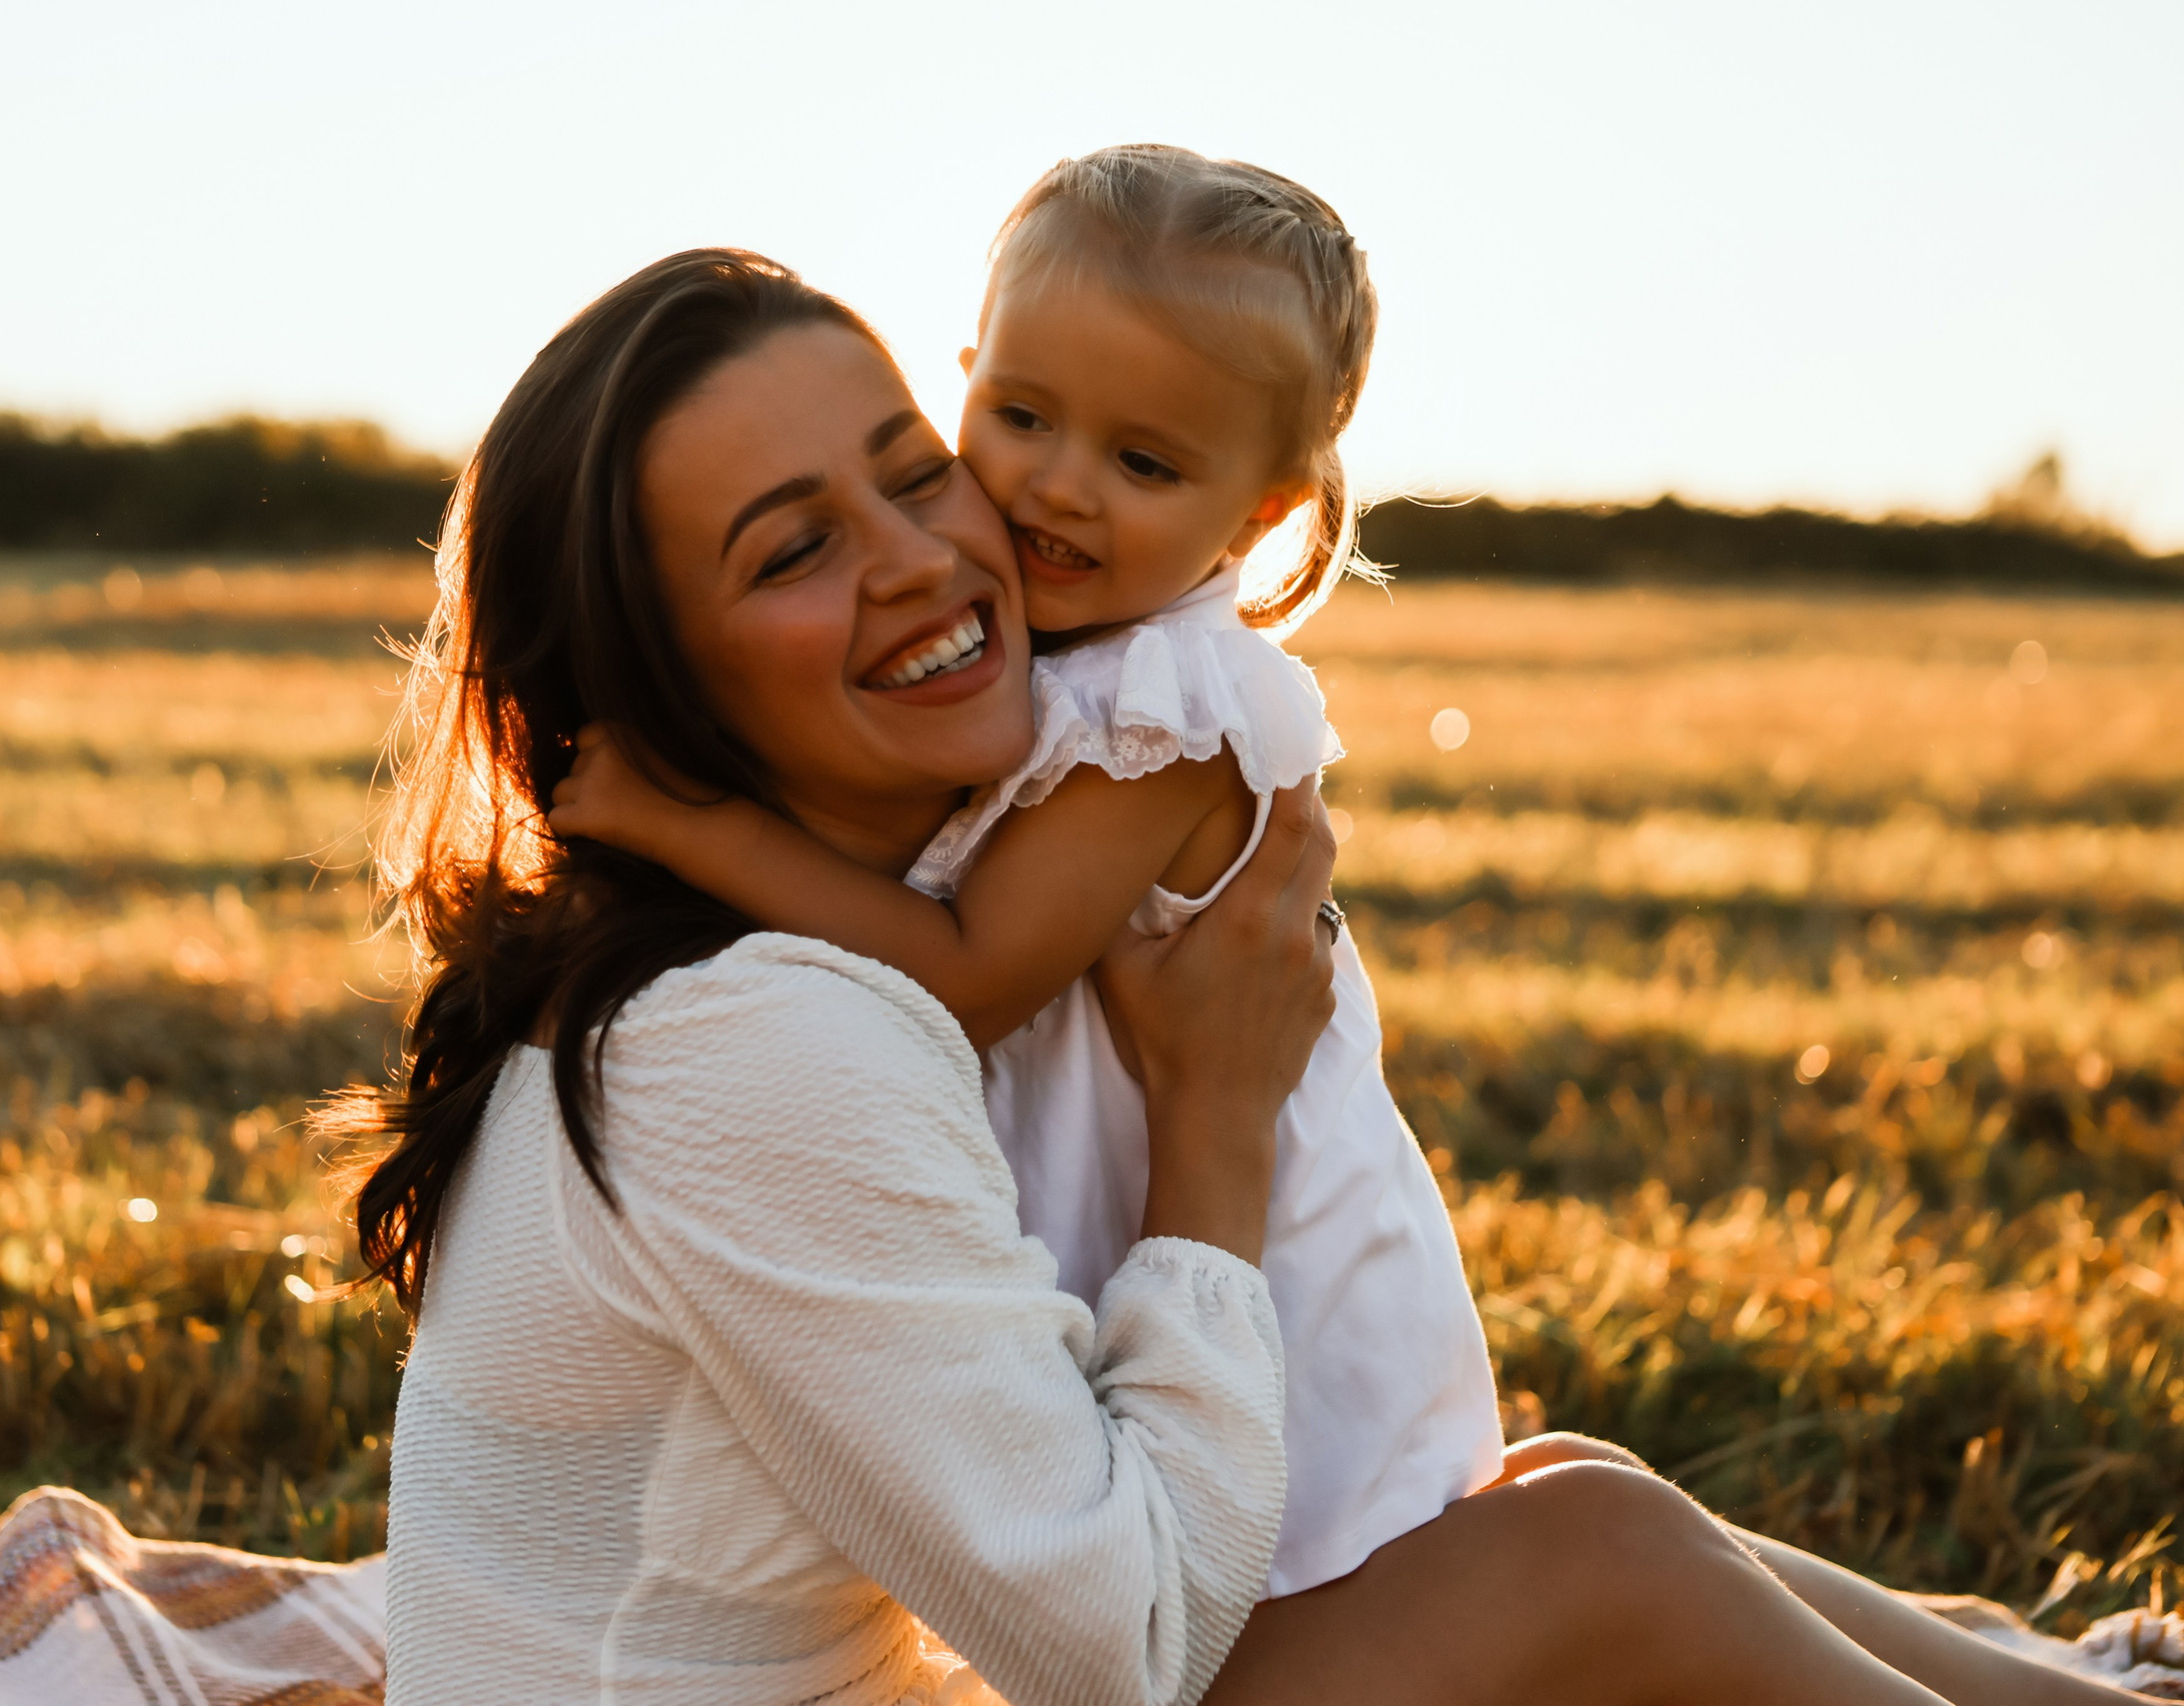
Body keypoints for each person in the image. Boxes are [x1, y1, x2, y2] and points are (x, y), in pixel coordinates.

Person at [346, 246, 2148, 1705]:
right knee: (1582, 1562)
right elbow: (1126, 1654)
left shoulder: (724, 966)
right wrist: (1216, 1117)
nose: (925, 557)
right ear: (653, 676)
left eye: (914, 470)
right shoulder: (756, 1039)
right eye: (795, 549)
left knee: (1569, 1494)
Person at [548, 143, 1502, 1598]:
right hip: (1155, 1265)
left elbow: (971, 977)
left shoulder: (1167, 717)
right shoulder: (1065, 674)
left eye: (1143, 462)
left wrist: (697, 827)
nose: (1057, 488)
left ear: (1261, 513)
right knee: (1589, 1527)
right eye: (1019, 416)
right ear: (966, 371)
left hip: (1282, 1332)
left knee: (1487, 1565)